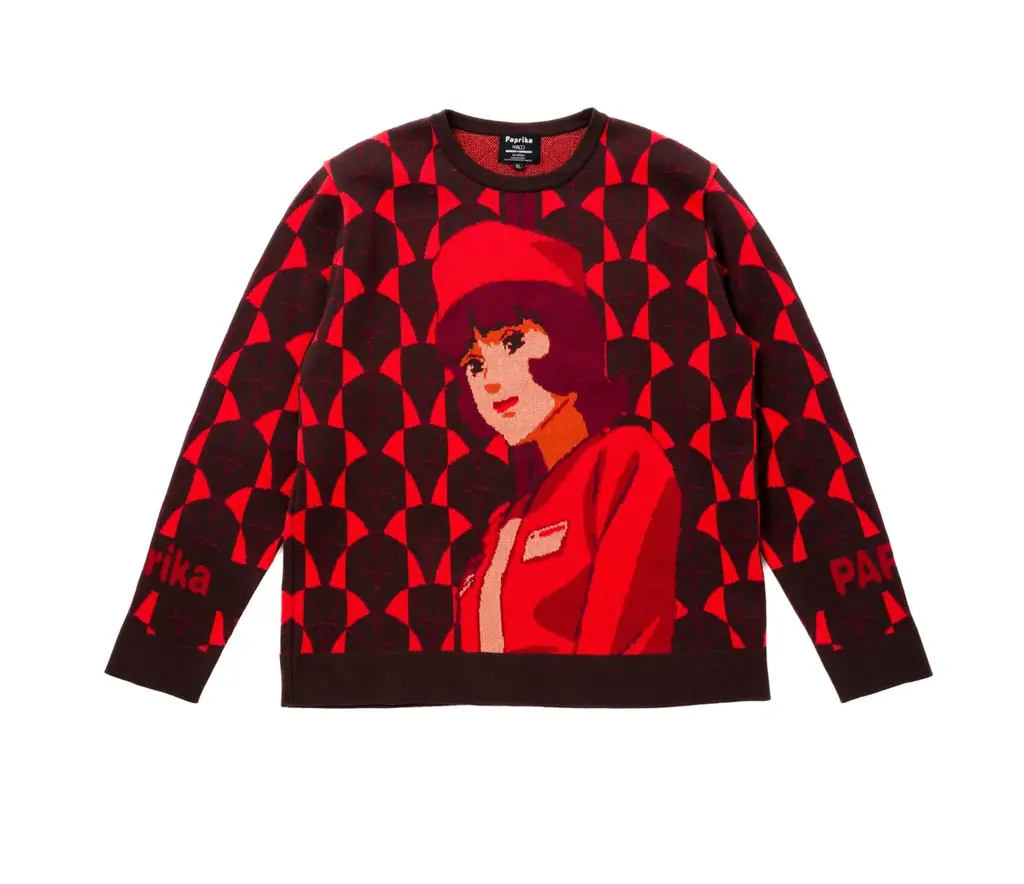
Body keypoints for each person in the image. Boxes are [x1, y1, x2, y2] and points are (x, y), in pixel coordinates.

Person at [432, 221, 682, 655]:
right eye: (474, 364)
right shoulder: (503, 524)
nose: (490, 381)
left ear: (568, 337)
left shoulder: (624, 464)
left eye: (511, 342)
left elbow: (621, 651)